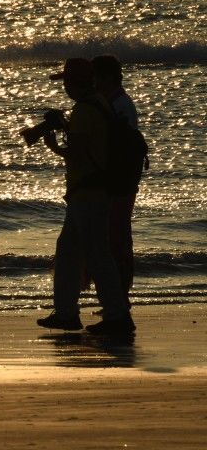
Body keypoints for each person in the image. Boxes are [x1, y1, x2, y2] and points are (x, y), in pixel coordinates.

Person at [36, 58, 135, 335]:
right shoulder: (99, 104)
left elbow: (77, 152)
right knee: (68, 252)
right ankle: (66, 313)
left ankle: (117, 316)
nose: (65, 87)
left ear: (75, 83)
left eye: (66, 82)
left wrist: (54, 147)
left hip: (88, 192)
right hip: (91, 191)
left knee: (96, 255)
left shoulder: (84, 109)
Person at [92, 54, 141, 294]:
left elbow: (118, 145)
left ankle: (119, 294)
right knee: (116, 235)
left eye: (96, 77)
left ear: (108, 77)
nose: (94, 83)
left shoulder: (120, 106)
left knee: (117, 236)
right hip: (120, 180)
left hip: (120, 180)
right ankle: (117, 295)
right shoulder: (117, 103)